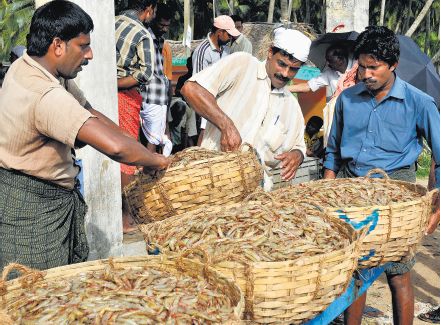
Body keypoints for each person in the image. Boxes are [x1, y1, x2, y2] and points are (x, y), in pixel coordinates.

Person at [0, 0, 170, 276]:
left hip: (42, 198)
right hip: (32, 210)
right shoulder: (44, 94)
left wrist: (137, 147)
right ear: (57, 46)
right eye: (83, 46)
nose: (90, 55)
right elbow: (114, 148)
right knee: (36, 297)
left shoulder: (34, 68)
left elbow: (90, 113)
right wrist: (157, 161)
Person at [323, 26, 440, 325]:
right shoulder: (347, 100)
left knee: (398, 272)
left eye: (374, 67)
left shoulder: (420, 103)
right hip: (350, 189)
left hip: (396, 194)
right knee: (354, 271)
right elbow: (333, 152)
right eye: (362, 66)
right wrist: (327, 192)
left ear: (393, 65)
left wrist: (436, 206)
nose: (365, 74)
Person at [182, 28, 311, 191]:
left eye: (293, 69)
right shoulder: (243, 64)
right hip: (210, 183)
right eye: (282, 64)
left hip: (255, 200)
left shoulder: (292, 107)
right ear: (270, 53)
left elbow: (299, 147)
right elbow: (191, 89)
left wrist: (297, 156)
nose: (285, 74)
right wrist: (226, 125)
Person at [115, 0, 157, 232]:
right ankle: (126, 216)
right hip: (125, 94)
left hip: (103, 94)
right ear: (148, 9)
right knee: (127, 154)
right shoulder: (142, 33)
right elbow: (146, 73)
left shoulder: (112, 24)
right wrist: (117, 84)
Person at [192, 15, 240, 144]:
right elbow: (198, 82)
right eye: (228, 35)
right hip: (206, 99)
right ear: (220, 32)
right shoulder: (203, 50)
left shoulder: (226, 50)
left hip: (222, 99)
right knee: (204, 132)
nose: (231, 38)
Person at [140, 3, 172, 156]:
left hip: (159, 96)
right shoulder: (145, 37)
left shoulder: (160, 40)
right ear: (153, 19)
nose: (164, 29)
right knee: (150, 143)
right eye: (161, 25)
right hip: (149, 95)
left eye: (167, 26)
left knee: (157, 139)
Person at [288, 42, 353, 101]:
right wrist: (284, 89)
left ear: (340, 60)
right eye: (327, 60)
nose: (327, 63)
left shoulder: (357, 67)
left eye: (330, 60)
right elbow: (308, 86)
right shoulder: (329, 73)